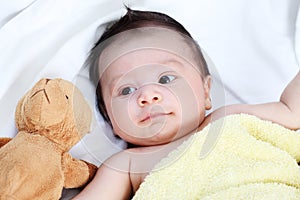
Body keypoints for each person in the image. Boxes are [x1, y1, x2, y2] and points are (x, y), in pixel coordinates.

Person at [73, 8, 300, 199]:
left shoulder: (230, 118)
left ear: (205, 92)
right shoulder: (127, 165)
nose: (148, 95)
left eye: (165, 79)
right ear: (109, 117)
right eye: (126, 90)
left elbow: (292, 111)